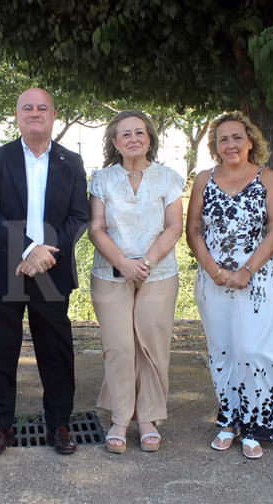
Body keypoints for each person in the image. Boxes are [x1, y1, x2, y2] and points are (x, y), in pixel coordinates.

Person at [0, 87, 89, 456]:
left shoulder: (70, 162)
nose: (35, 112)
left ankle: (59, 425)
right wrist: (29, 248)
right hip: (3, 269)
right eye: (27, 107)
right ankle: (1, 428)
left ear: (54, 114)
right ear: (17, 115)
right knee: (0, 352)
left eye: (42, 107)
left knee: (56, 353)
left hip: (52, 272)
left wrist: (45, 254)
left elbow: (79, 216)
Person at [186, 111, 273, 459]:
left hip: (255, 281)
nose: (230, 144)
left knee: (252, 350)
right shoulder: (204, 178)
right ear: (215, 147)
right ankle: (228, 421)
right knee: (222, 352)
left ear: (250, 142)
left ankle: (254, 424)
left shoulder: (267, 178)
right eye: (223, 139)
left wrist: (247, 269)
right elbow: (193, 230)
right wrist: (213, 269)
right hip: (212, 280)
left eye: (237, 137)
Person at [87, 110, 183, 454]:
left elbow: (174, 226)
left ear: (149, 139)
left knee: (152, 345)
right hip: (110, 273)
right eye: (125, 134)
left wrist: (146, 262)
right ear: (115, 142)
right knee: (120, 346)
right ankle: (120, 416)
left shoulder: (168, 178)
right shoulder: (101, 180)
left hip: (158, 273)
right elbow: (96, 228)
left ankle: (148, 418)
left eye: (139, 132)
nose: (133, 139)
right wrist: (123, 264)